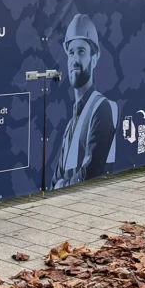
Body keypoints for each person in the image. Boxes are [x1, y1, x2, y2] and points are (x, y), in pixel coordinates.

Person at [51, 14, 116, 189]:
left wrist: (62, 186)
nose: (75, 59)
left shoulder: (101, 108)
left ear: (94, 59)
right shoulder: (71, 125)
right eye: (71, 53)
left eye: (81, 51)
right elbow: (56, 177)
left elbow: (92, 170)